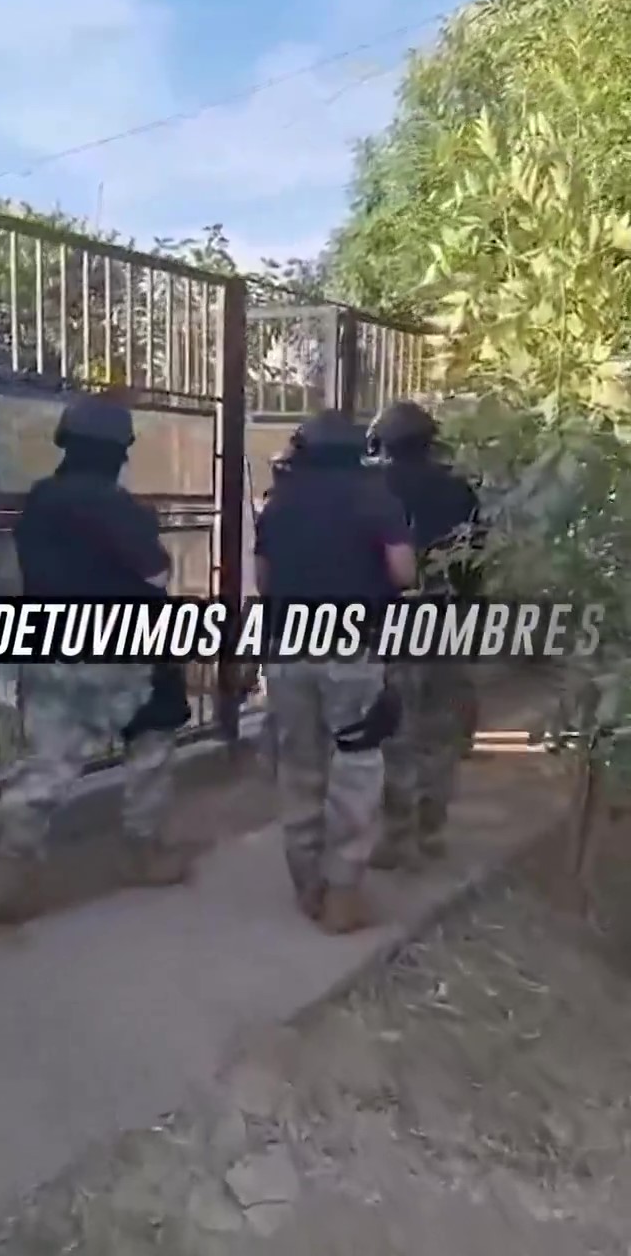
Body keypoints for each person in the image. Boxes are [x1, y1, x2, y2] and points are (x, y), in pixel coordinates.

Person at [0, 397, 191, 922]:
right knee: (151, 743)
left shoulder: (40, 500)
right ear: (119, 451)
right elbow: (156, 574)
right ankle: (141, 852)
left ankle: (7, 872)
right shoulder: (117, 506)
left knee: (48, 763)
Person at [254, 409, 416, 934]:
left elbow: (263, 579)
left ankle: (308, 883)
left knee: (300, 764)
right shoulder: (377, 499)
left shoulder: (278, 503)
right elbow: (403, 573)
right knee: (356, 762)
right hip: (351, 649)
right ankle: (343, 889)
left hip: (288, 648)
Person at [367, 400, 484, 869]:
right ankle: (431, 831)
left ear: (382, 442)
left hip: (392, 624)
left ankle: (395, 835)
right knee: (440, 733)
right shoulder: (460, 489)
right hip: (448, 621)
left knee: (395, 733)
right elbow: (476, 561)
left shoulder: (376, 488)